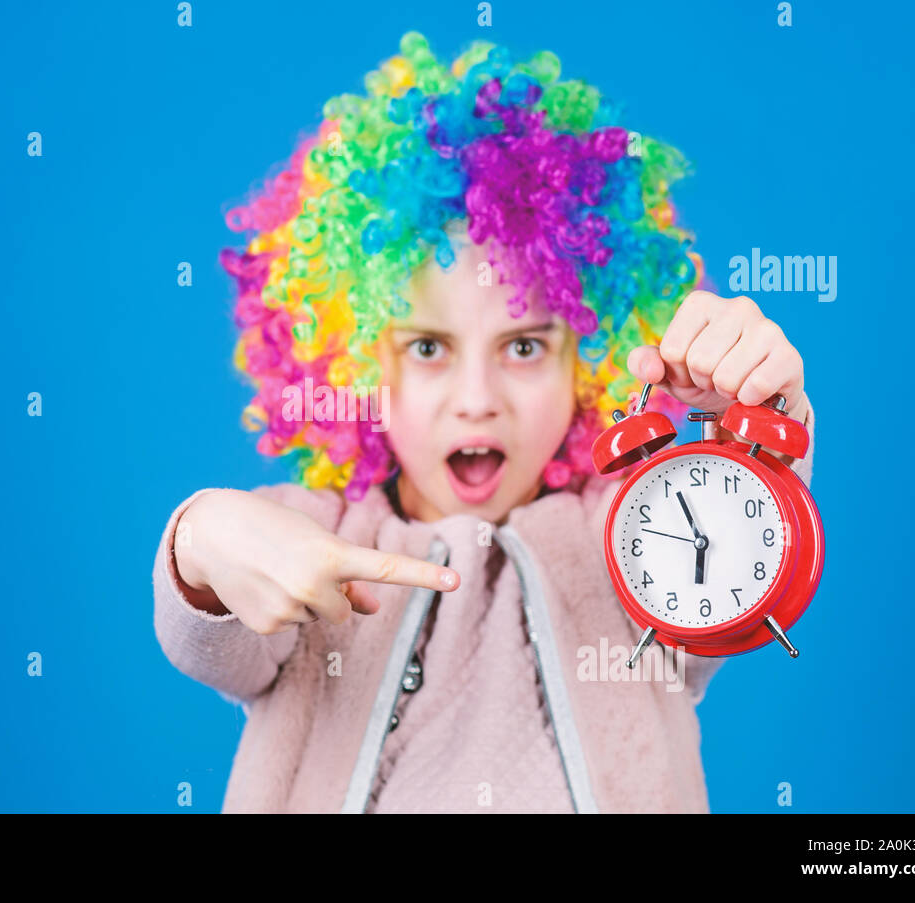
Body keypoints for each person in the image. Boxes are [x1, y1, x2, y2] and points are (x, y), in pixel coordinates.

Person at [153, 32, 815, 813]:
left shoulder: (634, 541)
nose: (478, 396)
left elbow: (743, 550)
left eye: (525, 344)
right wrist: (204, 538)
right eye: (428, 346)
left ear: (587, 360)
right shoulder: (319, 544)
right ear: (356, 362)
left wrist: (760, 414)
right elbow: (213, 627)